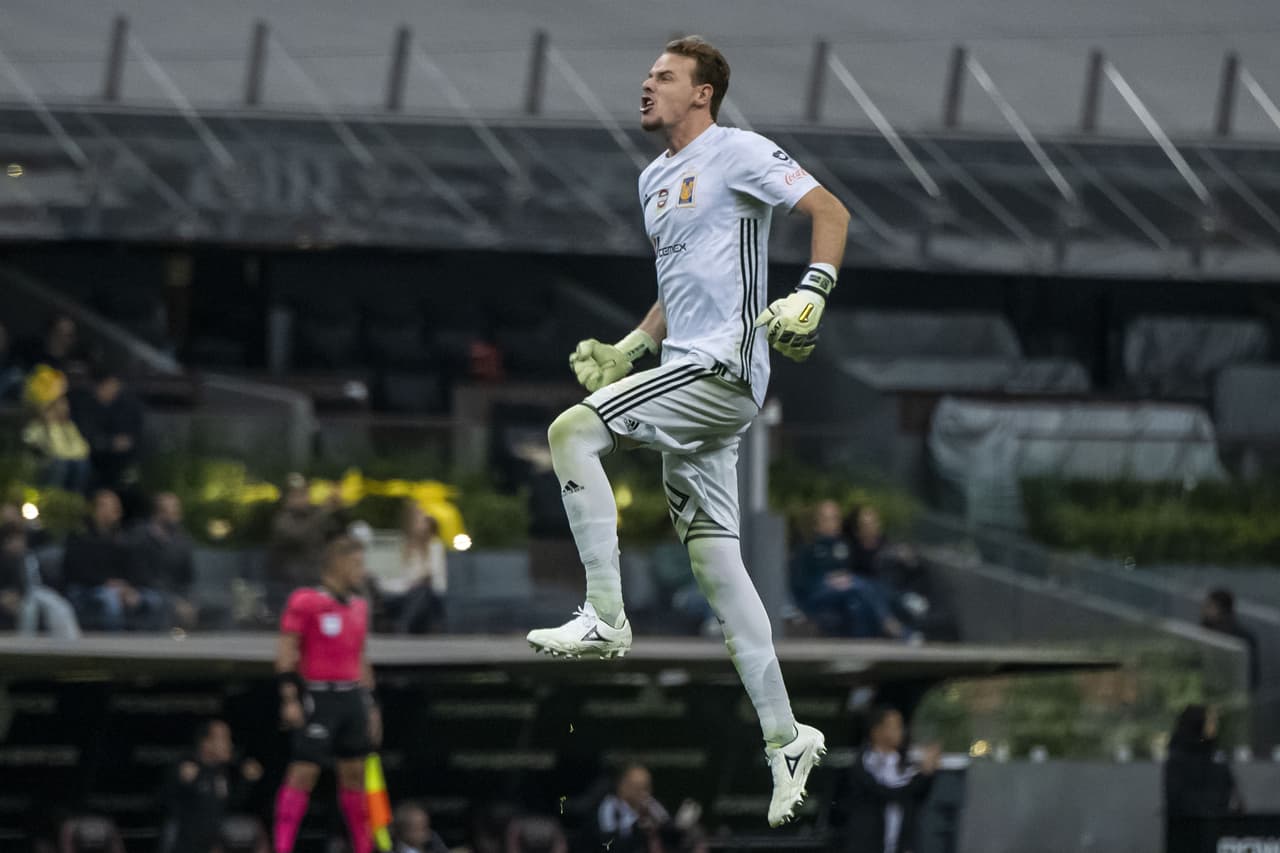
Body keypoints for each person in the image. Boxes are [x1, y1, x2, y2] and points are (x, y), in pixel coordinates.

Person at [524, 35, 850, 827]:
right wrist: (631, 345)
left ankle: (605, 613)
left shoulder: (738, 151)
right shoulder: (653, 178)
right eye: (647, 75)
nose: (646, 86)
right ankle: (787, 738)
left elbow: (829, 211)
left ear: (702, 93)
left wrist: (814, 288)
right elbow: (683, 278)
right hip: (687, 369)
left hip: (723, 369)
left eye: (664, 77)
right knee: (718, 570)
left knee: (571, 432)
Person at [273, 522, 381, 853]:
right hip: (319, 696)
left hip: (352, 697)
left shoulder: (360, 607)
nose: (361, 571)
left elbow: (361, 657)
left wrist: (371, 705)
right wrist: (290, 697)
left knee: (354, 775)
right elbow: (286, 653)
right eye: (357, 563)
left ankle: (363, 846)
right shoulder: (306, 601)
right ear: (338, 563)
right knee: (304, 773)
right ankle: (282, 846)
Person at [832, 706, 940, 853]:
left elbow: (916, 798)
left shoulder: (904, 763)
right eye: (894, 727)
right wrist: (924, 774)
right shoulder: (863, 765)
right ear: (877, 731)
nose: (900, 732)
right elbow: (888, 793)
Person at [790, 500, 902, 639]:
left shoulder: (845, 545)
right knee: (861, 585)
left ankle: (865, 644)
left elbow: (854, 570)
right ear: (816, 523)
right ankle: (890, 623)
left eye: (835, 518)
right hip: (818, 594)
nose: (832, 523)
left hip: (845, 593)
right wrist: (828, 580)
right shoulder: (808, 549)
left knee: (860, 600)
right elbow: (801, 585)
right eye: (827, 519)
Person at [63, 489, 166, 631]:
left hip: (121, 588)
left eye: (115, 508)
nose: (112, 511)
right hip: (87, 589)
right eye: (105, 506)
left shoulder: (125, 540)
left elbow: (135, 570)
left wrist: (129, 589)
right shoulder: (80, 538)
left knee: (154, 599)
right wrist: (107, 583)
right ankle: (114, 646)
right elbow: (77, 571)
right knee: (111, 601)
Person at [160, 719, 264, 853]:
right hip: (184, 845)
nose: (230, 745)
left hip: (211, 841)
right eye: (224, 739)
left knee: (256, 829)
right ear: (206, 743)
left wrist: (246, 781)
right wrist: (182, 782)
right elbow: (165, 803)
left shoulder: (221, 772)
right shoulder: (187, 766)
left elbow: (230, 804)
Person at [264, 474, 341, 616]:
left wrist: (336, 508)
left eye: (304, 494)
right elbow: (299, 535)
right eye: (296, 496)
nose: (302, 499)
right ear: (287, 499)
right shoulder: (282, 520)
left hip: (316, 578)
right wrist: (324, 512)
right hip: (291, 583)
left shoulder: (314, 516)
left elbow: (334, 534)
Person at [0, 522, 80, 638]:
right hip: (19, 596)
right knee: (29, 610)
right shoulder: (4, 560)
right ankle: (24, 646)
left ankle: (69, 641)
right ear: (6, 542)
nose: (21, 544)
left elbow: (36, 581)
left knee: (61, 606)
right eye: (16, 540)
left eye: (22, 540)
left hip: (36, 592)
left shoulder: (28, 557)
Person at [130, 492, 198, 630]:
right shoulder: (140, 537)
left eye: (177, 510)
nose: (177, 514)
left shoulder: (182, 541)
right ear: (159, 513)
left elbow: (188, 578)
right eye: (172, 510)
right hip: (144, 590)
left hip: (175, 594)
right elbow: (141, 576)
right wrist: (174, 601)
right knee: (159, 603)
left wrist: (189, 601)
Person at [72, 363, 145, 492]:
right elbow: (85, 437)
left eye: (116, 385)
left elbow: (132, 436)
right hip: (91, 458)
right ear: (99, 386)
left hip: (117, 460)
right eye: (110, 385)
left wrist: (122, 443)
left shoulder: (124, 406)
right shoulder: (84, 406)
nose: (115, 390)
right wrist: (110, 443)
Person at [1164, 704, 1242, 822]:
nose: (1215, 725)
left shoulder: (1215, 755)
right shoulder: (1179, 760)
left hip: (1217, 825)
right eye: (1210, 721)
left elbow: (1231, 795)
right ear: (1198, 723)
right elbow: (1179, 799)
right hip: (1189, 828)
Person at [21, 367, 91, 494]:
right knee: (60, 464)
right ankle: (50, 500)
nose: (64, 406)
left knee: (81, 464)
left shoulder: (67, 426)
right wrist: (51, 426)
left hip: (64, 463)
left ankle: (72, 501)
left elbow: (82, 451)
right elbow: (55, 451)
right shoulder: (35, 428)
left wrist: (62, 427)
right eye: (57, 403)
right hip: (42, 470)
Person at [381, 503, 447, 634]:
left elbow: (438, 581)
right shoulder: (400, 548)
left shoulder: (435, 547)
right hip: (402, 594)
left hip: (429, 597)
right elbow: (390, 581)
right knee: (416, 592)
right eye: (420, 520)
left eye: (425, 520)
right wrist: (410, 585)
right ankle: (402, 626)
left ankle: (402, 627)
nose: (424, 524)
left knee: (423, 590)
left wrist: (418, 581)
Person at [1200, 588, 1260, 691]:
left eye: (1209, 606)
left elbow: (1250, 675)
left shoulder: (1242, 638)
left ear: (1222, 610)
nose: (1204, 610)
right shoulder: (1206, 628)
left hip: (1232, 690)